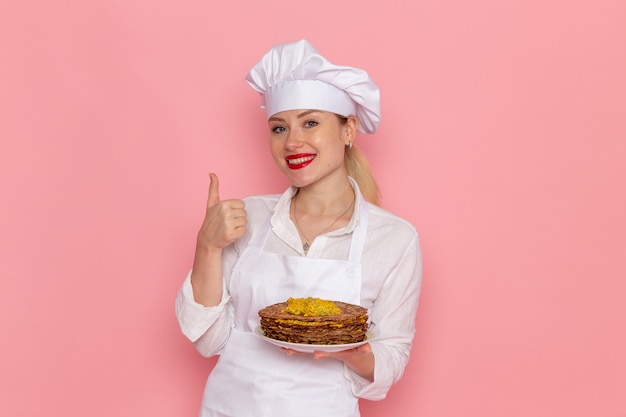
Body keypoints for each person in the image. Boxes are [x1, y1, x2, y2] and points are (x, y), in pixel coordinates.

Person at [175, 39, 422, 417]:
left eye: (310, 122)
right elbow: (210, 340)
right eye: (279, 128)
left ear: (348, 130)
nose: (292, 142)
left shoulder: (394, 239)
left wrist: (355, 354)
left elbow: (393, 353)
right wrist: (206, 246)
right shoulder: (248, 217)